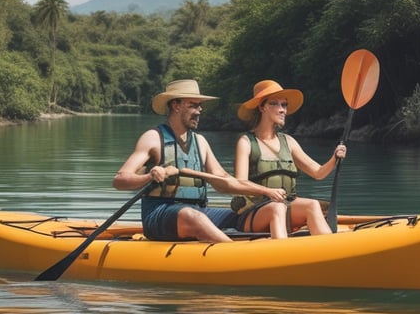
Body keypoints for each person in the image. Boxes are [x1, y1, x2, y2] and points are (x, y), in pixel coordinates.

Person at [113, 79, 289, 242]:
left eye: (200, 106)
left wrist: (265, 191)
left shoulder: (200, 142)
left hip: (199, 211)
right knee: (192, 216)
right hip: (159, 215)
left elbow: (225, 182)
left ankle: (280, 253)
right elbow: (120, 180)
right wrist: (150, 176)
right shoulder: (152, 138)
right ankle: (236, 253)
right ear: (176, 105)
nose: (199, 111)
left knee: (263, 211)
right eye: (193, 105)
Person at [233, 80, 346, 238]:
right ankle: (283, 255)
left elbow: (318, 173)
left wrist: (334, 158)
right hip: (254, 213)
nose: (282, 110)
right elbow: (239, 184)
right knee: (276, 208)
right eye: (275, 104)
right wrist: (267, 191)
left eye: (284, 105)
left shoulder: (289, 142)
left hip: (285, 207)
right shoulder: (246, 142)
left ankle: (330, 252)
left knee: (313, 205)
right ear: (262, 107)